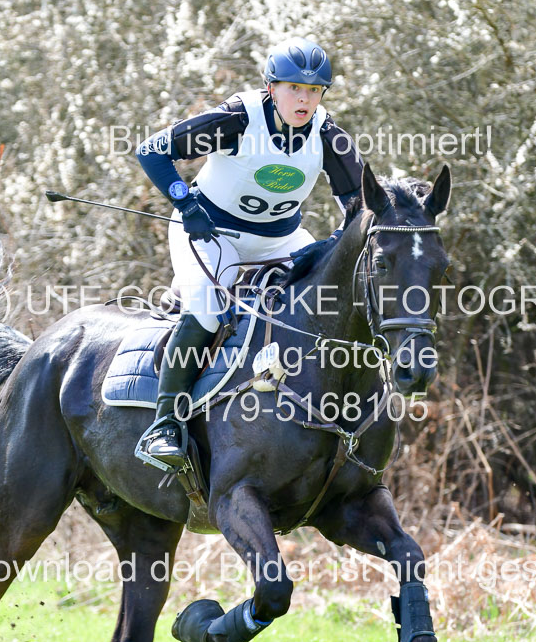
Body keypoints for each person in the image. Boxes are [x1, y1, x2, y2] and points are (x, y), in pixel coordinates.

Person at [135, 36, 364, 468]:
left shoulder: (326, 133)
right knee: (208, 312)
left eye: (314, 91)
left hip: (280, 240)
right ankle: (165, 424)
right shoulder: (239, 118)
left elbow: (359, 202)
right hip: (212, 233)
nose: (304, 100)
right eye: (294, 89)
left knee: (327, 301)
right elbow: (152, 152)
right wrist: (186, 205)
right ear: (271, 87)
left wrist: (341, 238)